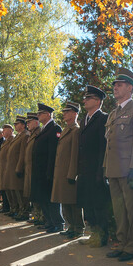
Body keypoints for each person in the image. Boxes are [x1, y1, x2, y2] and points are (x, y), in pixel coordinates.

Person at [104, 68, 133, 261]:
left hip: (128, 169)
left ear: (129, 88)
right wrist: (106, 168)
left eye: (119, 85)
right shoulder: (113, 114)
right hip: (113, 169)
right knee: (119, 211)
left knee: (132, 210)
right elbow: (109, 144)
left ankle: (131, 247)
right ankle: (121, 243)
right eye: (114, 85)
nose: (115, 88)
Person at [78, 86, 110, 246]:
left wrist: (101, 172)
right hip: (84, 171)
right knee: (87, 203)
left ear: (97, 101)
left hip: (96, 170)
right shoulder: (84, 120)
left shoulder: (103, 118)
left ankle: (102, 235)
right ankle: (93, 234)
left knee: (98, 204)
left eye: (88, 98)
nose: (85, 100)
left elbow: (103, 148)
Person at [32, 103, 63, 232]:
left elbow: (53, 152)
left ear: (48, 114)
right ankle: (49, 221)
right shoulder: (44, 129)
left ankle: (57, 223)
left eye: (40, 113)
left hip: (47, 170)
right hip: (40, 171)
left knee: (51, 199)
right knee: (43, 197)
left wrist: (50, 171)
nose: (38, 116)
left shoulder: (55, 128)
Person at [52, 101, 82, 238]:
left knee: (73, 202)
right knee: (65, 201)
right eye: (64, 112)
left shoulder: (76, 131)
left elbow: (75, 154)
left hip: (69, 173)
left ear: (75, 114)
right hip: (61, 172)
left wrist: (72, 173)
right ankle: (70, 226)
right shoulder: (66, 130)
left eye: (67, 112)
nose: (64, 114)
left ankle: (78, 228)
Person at [4, 117, 29, 219]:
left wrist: (19, 168)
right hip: (12, 168)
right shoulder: (18, 136)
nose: (15, 125)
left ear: (23, 125)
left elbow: (23, 153)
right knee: (15, 191)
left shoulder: (25, 135)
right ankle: (17, 210)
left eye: (17, 123)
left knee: (20, 191)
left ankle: (24, 212)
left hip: (18, 168)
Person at [22, 112, 44, 224]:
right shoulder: (32, 134)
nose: (27, 125)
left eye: (29, 122)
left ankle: (40, 216)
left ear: (36, 122)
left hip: (35, 169)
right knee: (32, 194)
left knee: (37, 194)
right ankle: (36, 215)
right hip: (29, 168)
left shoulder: (39, 132)